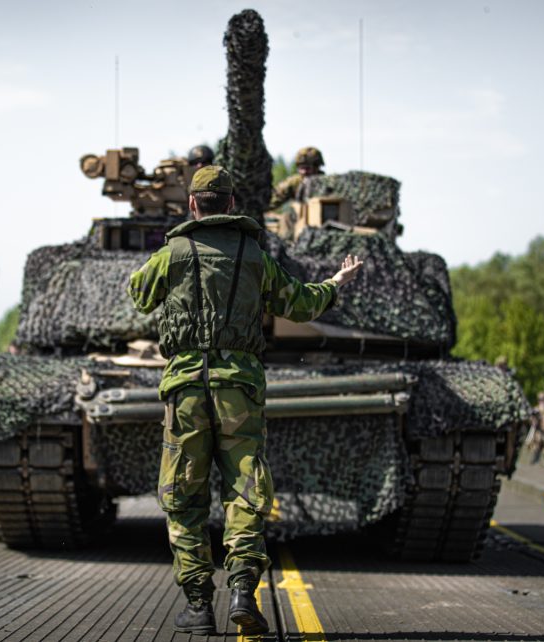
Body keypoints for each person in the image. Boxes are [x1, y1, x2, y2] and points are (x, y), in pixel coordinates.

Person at [128, 165, 362, 636]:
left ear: (193, 205)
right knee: (245, 490)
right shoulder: (254, 255)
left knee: (184, 495)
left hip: (186, 388)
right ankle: (242, 593)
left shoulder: (172, 252)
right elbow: (299, 302)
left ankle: (197, 605)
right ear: (232, 204)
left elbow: (139, 295)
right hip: (240, 388)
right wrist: (336, 282)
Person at [529, 392, 544, 463]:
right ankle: (535, 456)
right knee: (537, 441)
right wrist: (534, 420)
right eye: (540, 399)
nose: (542, 401)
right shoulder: (536, 410)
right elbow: (531, 421)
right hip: (538, 432)